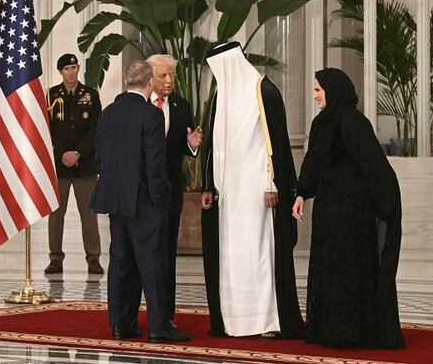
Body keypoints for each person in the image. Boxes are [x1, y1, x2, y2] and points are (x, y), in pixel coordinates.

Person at [292, 68, 404, 349]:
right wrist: (302, 194)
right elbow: (313, 161)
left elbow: (374, 165)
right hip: (328, 208)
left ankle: (351, 332)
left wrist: (387, 204)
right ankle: (329, 328)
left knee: (349, 266)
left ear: (334, 90)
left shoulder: (354, 122)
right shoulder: (320, 123)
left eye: (318, 90)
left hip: (352, 210)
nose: (315, 96)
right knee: (328, 264)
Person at [201, 42, 303, 339]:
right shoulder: (221, 95)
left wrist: (269, 184)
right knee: (231, 256)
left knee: (258, 254)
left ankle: (266, 322)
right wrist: (209, 184)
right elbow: (213, 146)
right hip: (228, 194)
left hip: (258, 193)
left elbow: (275, 146)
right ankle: (234, 321)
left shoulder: (264, 91)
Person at [91, 60, 189, 343]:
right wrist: (162, 199)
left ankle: (121, 323)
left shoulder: (107, 114)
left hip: (115, 200)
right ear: (148, 84)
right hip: (145, 202)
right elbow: (155, 164)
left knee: (121, 261)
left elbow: (100, 158)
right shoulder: (151, 115)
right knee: (153, 262)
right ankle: (159, 326)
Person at [146, 54, 202, 324]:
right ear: (150, 77)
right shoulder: (137, 104)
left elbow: (183, 149)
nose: (169, 81)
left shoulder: (182, 105)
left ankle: (165, 316)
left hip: (170, 192)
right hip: (142, 193)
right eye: (162, 76)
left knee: (167, 254)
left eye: (172, 75)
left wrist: (191, 145)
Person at [44, 53, 103, 276]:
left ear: (78, 68)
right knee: (56, 214)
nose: (70, 72)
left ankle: (93, 258)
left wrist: (78, 152)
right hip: (59, 166)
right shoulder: (51, 95)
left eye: (73, 67)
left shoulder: (90, 94)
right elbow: (46, 129)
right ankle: (55, 258)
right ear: (60, 72)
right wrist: (63, 154)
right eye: (66, 69)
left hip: (85, 165)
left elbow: (96, 129)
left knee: (89, 215)